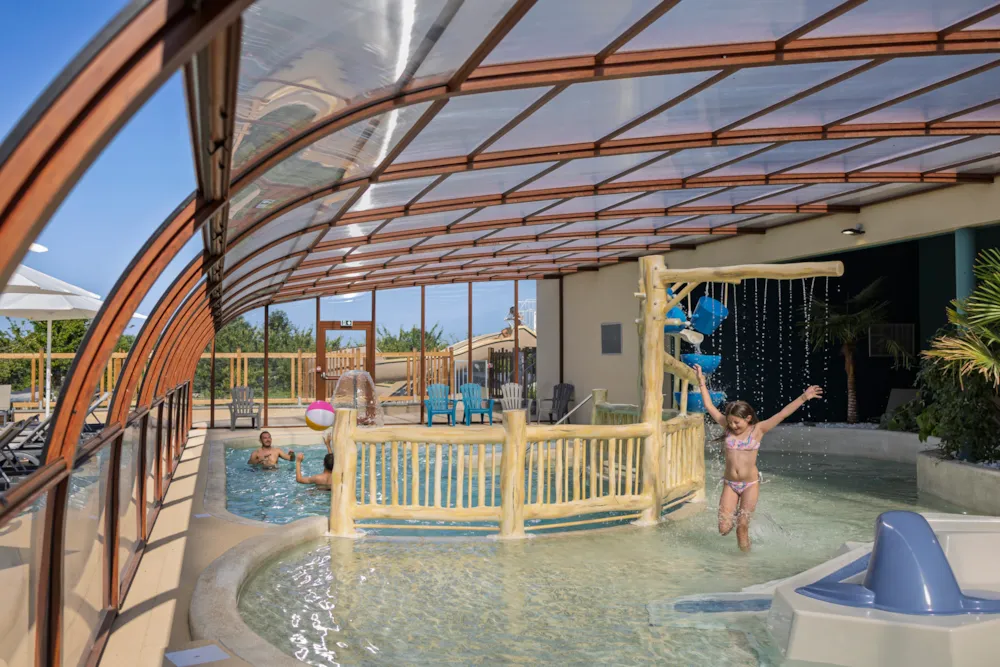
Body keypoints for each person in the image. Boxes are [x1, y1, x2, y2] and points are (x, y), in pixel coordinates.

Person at [695, 364, 823, 552]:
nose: (733, 425)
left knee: (741, 528)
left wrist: (804, 397)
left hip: (750, 485)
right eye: (730, 422)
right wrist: (701, 382)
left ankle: (744, 562)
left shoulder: (758, 430)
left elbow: (782, 414)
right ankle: (738, 516)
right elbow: (709, 406)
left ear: (747, 418)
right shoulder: (727, 427)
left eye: (736, 422)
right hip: (730, 484)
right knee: (723, 529)